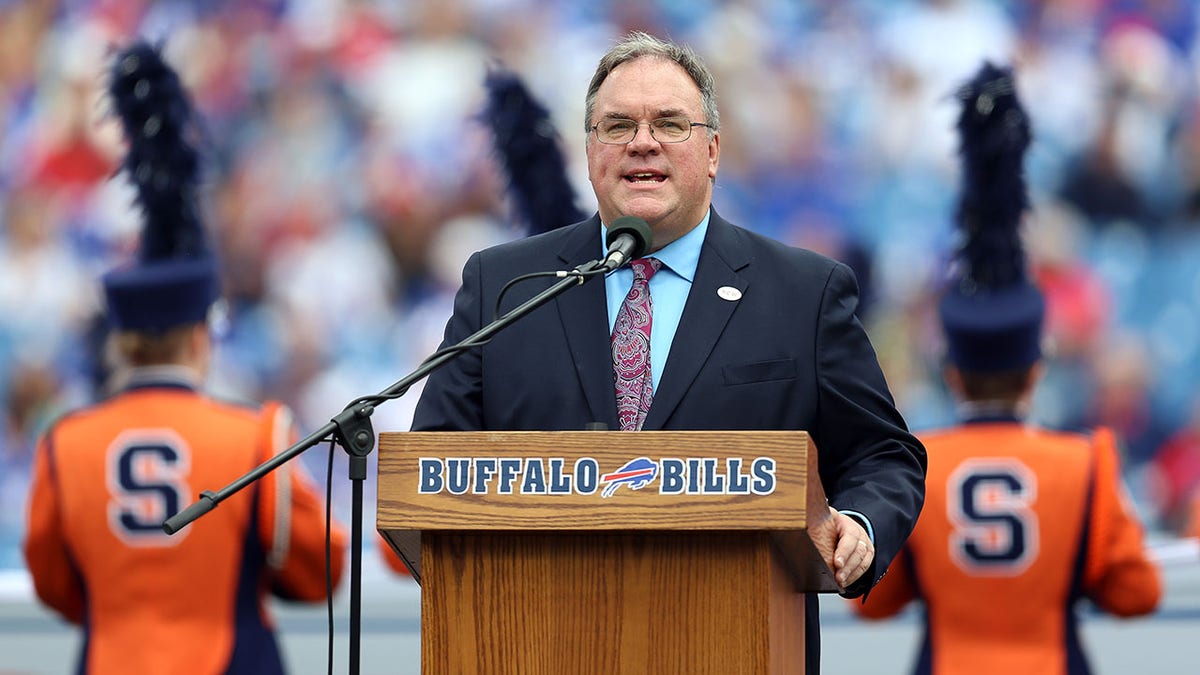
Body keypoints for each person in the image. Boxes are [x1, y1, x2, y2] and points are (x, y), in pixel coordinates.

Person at [410, 31, 927, 673]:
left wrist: (861, 525)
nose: (642, 142)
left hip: (735, 644)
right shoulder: (505, 285)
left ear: (712, 150)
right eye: (617, 124)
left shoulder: (803, 292)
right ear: (591, 149)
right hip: (533, 640)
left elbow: (883, 453)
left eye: (669, 124)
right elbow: (433, 462)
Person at [22, 41, 347, 674]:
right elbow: (322, 571)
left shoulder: (65, 443)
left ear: (119, 342)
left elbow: (56, 586)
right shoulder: (257, 435)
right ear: (201, 336)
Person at [850, 62, 1161, 675]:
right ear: (1038, 370)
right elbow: (1138, 595)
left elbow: (873, 604)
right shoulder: (1087, 463)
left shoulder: (918, 468)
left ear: (953, 374)